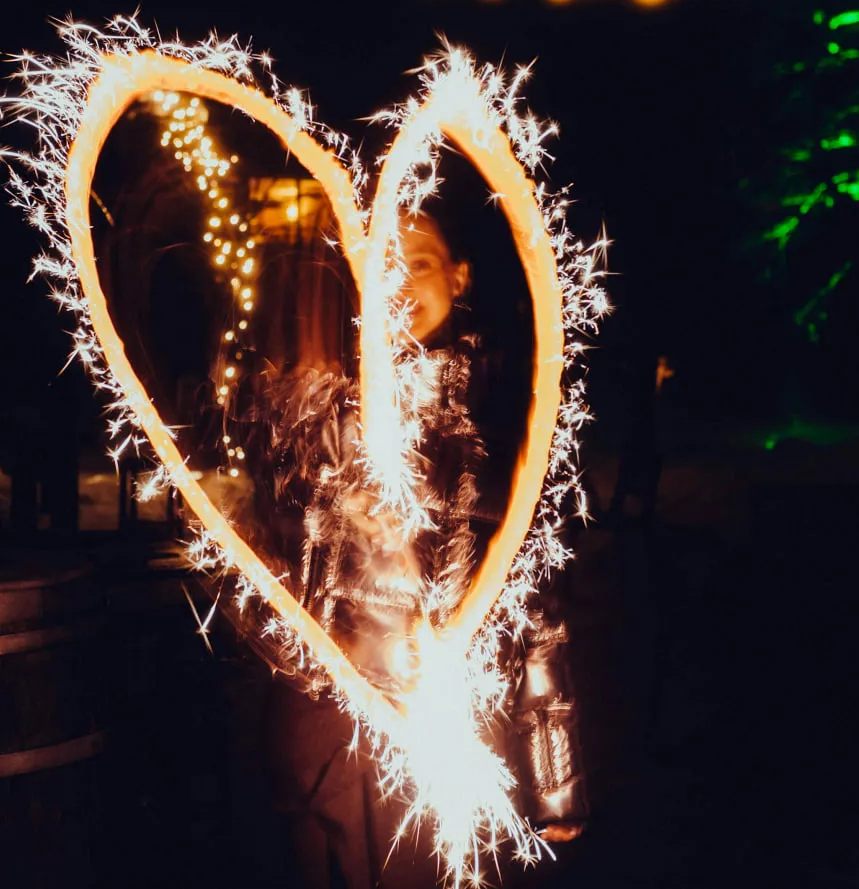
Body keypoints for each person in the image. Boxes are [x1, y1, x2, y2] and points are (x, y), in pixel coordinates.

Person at [223, 209, 588, 888]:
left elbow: (537, 617)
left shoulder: (509, 422)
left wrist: (554, 781)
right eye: (378, 262)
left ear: (459, 275)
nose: (397, 277)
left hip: (438, 730)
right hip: (319, 727)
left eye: (417, 260)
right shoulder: (311, 403)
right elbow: (256, 557)